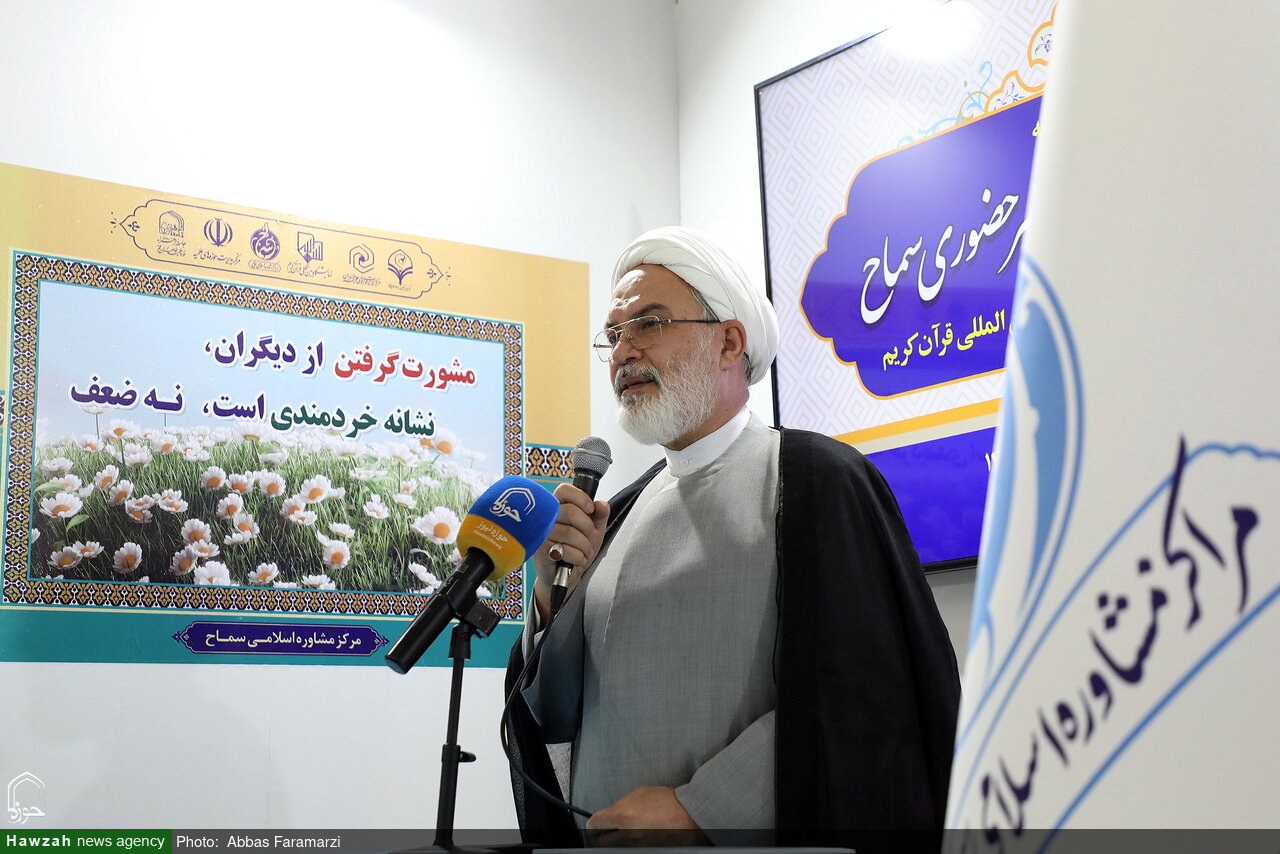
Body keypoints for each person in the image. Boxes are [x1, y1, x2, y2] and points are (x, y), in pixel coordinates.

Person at [505, 225, 960, 848]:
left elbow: (867, 695)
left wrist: (702, 811)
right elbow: (553, 717)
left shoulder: (815, 481)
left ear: (728, 342)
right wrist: (551, 599)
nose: (623, 351)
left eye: (649, 323)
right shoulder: (621, 511)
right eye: (613, 334)